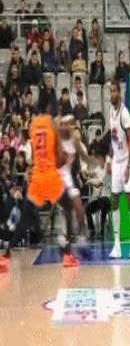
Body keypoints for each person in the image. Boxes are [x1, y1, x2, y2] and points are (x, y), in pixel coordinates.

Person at [0, 92, 79, 272]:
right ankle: (67, 254)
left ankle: (6, 255)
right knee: (68, 210)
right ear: (49, 107)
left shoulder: (33, 124)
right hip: (50, 176)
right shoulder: (53, 123)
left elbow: (36, 154)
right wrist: (67, 160)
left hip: (37, 176)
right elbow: (59, 155)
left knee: (25, 218)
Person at [107, 80, 130, 259]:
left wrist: (128, 166)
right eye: (110, 91)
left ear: (119, 93)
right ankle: (117, 245)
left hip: (126, 161)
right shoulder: (110, 111)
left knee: (129, 200)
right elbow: (113, 139)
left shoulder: (124, 113)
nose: (112, 94)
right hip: (116, 161)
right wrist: (109, 159)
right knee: (114, 201)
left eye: (114, 91)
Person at [85, 152, 111, 240]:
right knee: (87, 209)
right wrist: (85, 172)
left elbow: (99, 182)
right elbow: (92, 173)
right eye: (97, 159)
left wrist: (90, 181)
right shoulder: (98, 168)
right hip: (99, 198)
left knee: (103, 203)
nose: (98, 161)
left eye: (99, 159)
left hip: (108, 198)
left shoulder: (108, 170)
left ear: (103, 159)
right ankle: (92, 230)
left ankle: (102, 230)